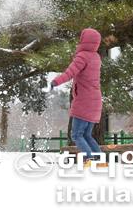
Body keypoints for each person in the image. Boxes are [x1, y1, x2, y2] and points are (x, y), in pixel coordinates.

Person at [51, 28, 103, 168]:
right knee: (87, 135)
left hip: (84, 102)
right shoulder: (96, 57)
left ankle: (89, 159)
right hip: (95, 101)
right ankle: (100, 161)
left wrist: (55, 81)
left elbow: (70, 73)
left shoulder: (82, 57)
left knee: (77, 135)